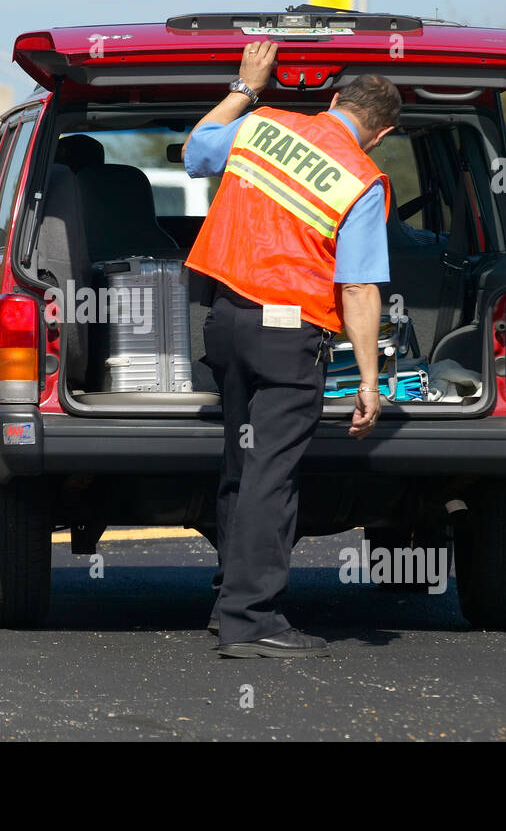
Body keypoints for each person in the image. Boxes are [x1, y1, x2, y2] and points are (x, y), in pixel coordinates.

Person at [183, 41, 400, 658]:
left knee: (240, 464)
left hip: (225, 323)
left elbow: (197, 152)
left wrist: (247, 87)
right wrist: (367, 378)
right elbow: (356, 286)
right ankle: (252, 623)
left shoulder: (261, 125)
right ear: (379, 134)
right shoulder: (362, 178)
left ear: (333, 101)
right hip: (288, 336)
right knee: (271, 478)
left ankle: (229, 603)